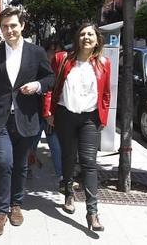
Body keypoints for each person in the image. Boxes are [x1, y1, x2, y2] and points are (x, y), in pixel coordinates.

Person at [0, 7, 54, 237]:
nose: (9, 30)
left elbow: (50, 78)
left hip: (26, 119)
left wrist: (37, 86)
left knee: (20, 165)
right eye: (5, 26)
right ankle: (0, 212)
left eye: (13, 26)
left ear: (22, 26)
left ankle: (16, 205)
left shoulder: (36, 52)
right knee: (4, 162)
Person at [43, 23, 111, 232]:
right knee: (69, 157)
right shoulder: (62, 59)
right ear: (77, 38)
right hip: (65, 116)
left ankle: (92, 212)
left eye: (90, 34)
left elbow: (106, 94)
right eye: (82, 34)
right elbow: (51, 87)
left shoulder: (103, 63)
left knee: (89, 162)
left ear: (97, 39)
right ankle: (69, 194)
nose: (86, 37)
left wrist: (103, 119)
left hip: (90, 118)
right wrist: (49, 112)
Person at [28, 41, 65, 185]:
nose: (54, 55)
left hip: (52, 116)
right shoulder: (38, 67)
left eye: (58, 51)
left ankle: (62, 176)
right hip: (35, 114)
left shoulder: (62, 69)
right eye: (51, 51)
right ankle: (27, 168)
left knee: (55, 146)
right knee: (31, 144)